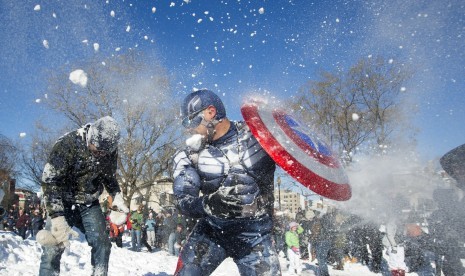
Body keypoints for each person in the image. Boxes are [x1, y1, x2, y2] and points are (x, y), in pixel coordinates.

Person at [172, 89, 281, 275]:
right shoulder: (189, 155)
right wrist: (209, 204)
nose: (188, 129)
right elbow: (183, 201)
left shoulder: (261, 138)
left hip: (255, 237)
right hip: (211, 232)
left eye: (190, 121)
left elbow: (301, 157)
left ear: (210, 112)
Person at [37, 116, 129, 276]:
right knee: (52, 248)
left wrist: (116, 196)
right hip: (63, 201)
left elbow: (108, 176)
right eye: (97, 150)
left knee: (102, 243)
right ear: (91, 137)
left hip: (89, 202)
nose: (100, 155)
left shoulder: (109, 151)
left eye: (104, 152)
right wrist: (57, 216)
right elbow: (50, 180)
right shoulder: (68, 144)